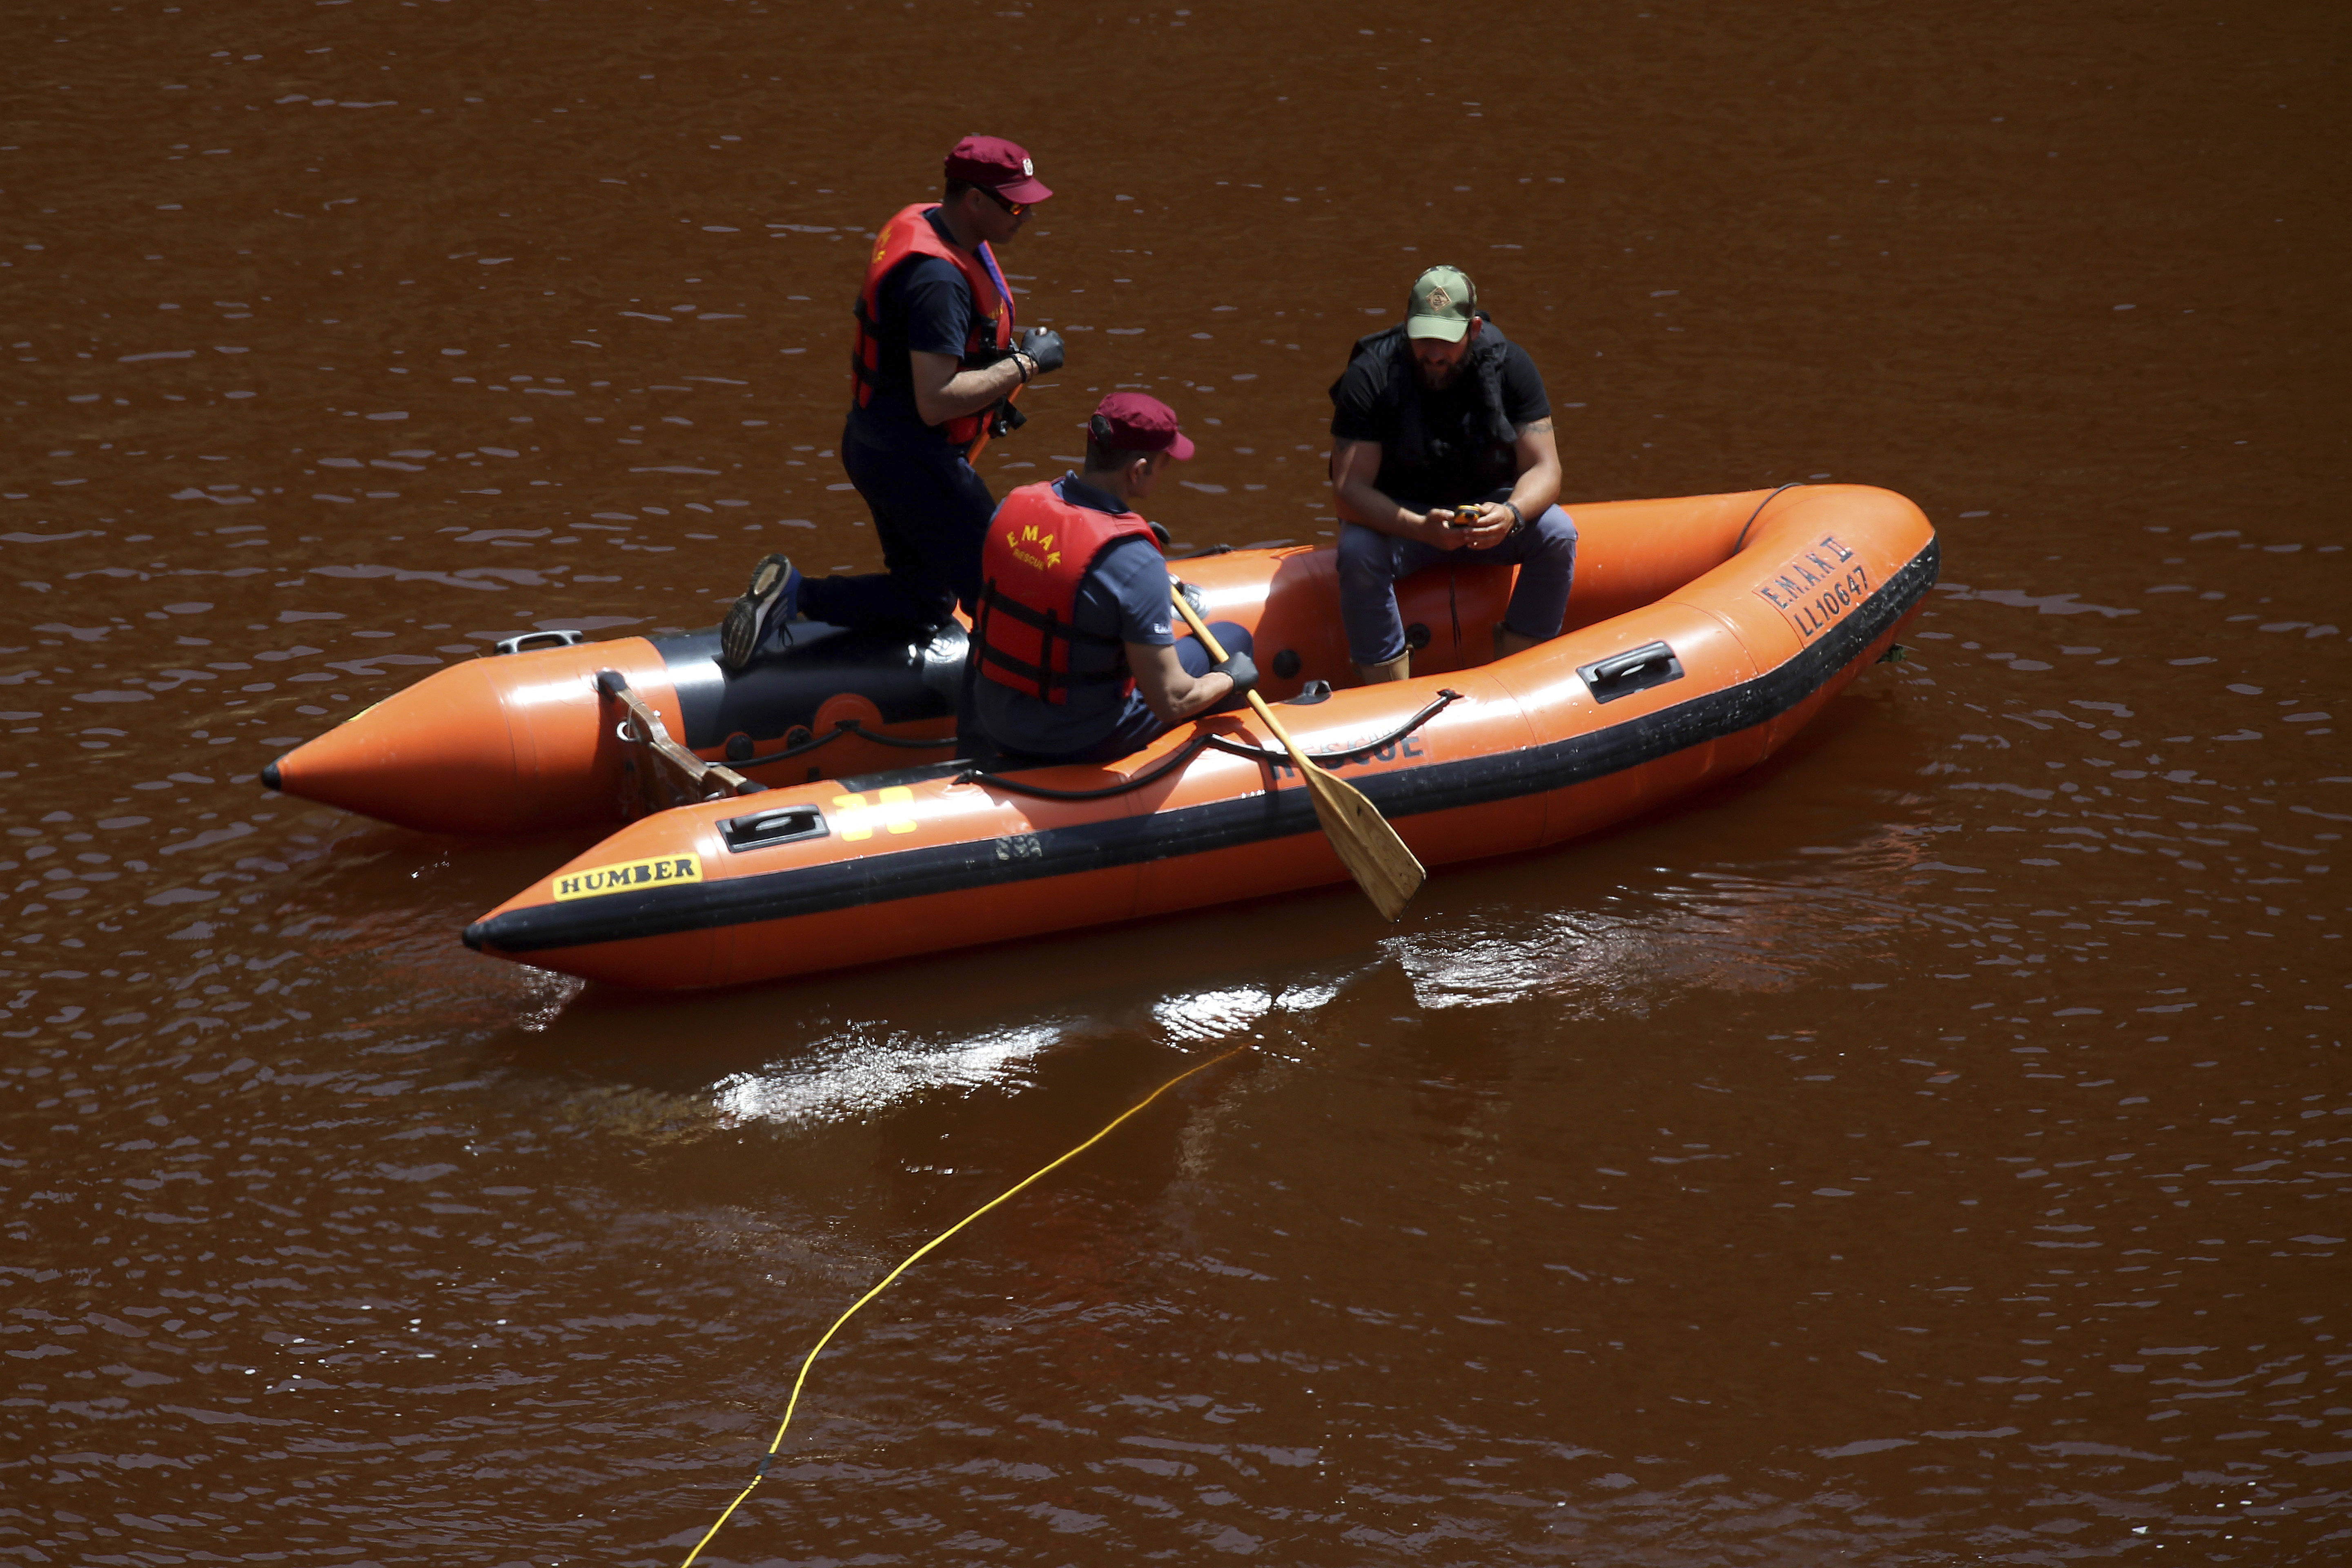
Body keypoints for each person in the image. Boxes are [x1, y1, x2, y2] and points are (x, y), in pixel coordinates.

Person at [720, 134, 1069, 669]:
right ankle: (1007, 728)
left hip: (874, 444)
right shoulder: (936, 281)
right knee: (998, 600)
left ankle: (791, 596)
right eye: (1017, 205)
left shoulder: (933, 223)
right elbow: (936, 400)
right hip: (914, 461)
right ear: (973, 200)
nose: (1027, 217)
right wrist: (1027, 364)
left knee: (924, 601)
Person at [970, 394, 1257, 766]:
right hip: (1076, 738)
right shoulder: (1135, 562)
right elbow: (1171, 700)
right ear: (1138, 471)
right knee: (1234, 640)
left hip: (996, 716)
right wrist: (1231, 679)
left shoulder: (1013, 505)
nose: (1165, 471)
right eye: (1164, 463)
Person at [1327, 264, 1577, 682]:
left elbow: (1546, 468)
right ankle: (1388, 692)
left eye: (1447, 341)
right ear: (1407, 325)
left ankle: (1520, 676)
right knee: (1357, 552)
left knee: (1557, 534)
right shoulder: (1369, 376)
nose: (1435, 353)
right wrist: (1420, 527)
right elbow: (1348, 490)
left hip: (1488, 513)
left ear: (1474, 329)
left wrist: (1512, 514)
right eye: (1423, 338)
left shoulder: (1512, 366)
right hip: (1404, 519)